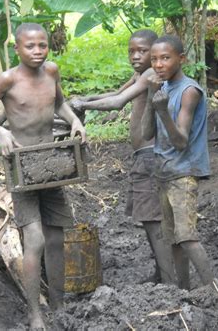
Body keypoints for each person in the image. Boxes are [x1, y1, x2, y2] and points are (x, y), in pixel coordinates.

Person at [0, 23, 86, 330]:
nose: (37, 51)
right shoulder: (8, 79)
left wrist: (74, 121)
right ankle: (35, 312)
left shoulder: (51, 72)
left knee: (57, 236)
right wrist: (0, 131)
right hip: (21, 167)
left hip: (49, 164)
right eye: (30, 47)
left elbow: (60, 102)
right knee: (33, 239)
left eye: (42, 45)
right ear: (17, 49)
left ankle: (59, 304)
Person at [70, 29, 175, 285]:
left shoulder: (151, 75)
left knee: (153, 220)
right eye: (132, 51)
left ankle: (170, 281)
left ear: (155, 51)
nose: (136, 56)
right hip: (144, 156)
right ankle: (162, 275)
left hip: (151, 157)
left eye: (142, 51)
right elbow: (114, 94)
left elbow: (117, 104)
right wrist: (83, 98)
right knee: (150, 220)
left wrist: (82, 106)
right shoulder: (142, 75)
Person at [141, 34, 214, 290]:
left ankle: (214, 292)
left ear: (181, 59)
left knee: (186, 237)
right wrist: (152, 99)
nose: (159, 65)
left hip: (183, 173)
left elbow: (181, 141)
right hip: (165, 173)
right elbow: (145, 134)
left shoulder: (189, 91)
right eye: (154, 60)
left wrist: (162, 109)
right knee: (173, 239)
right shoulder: (162, 89)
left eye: (165, 58)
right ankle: (184, 291)